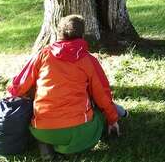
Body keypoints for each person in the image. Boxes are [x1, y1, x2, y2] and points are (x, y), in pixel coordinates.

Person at [7, 15, 127, 160]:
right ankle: (68, 147)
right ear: (82, 36)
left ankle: (45, 143)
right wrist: (112, 119)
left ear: (58, 34)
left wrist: (14, 94)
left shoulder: (43, 54)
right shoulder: (89, 60)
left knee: (46, 122)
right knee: (99, 114)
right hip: (77, 131)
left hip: (41, 128)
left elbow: (18, 86)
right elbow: (103, 95)